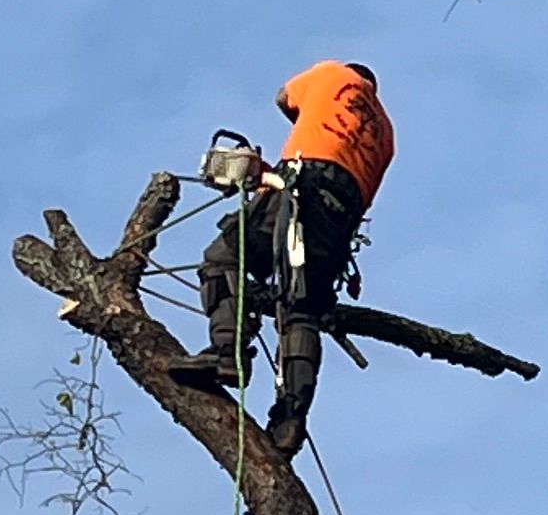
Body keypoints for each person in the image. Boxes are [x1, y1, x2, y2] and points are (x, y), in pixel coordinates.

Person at [168, 60, 394, 450]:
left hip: (300, 187)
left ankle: (227, 352)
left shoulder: (331, 73)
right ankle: (291, 418)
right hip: (340, 219)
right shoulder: (386, 134)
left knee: (224, 258)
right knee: (301, 307)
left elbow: (284, 98)